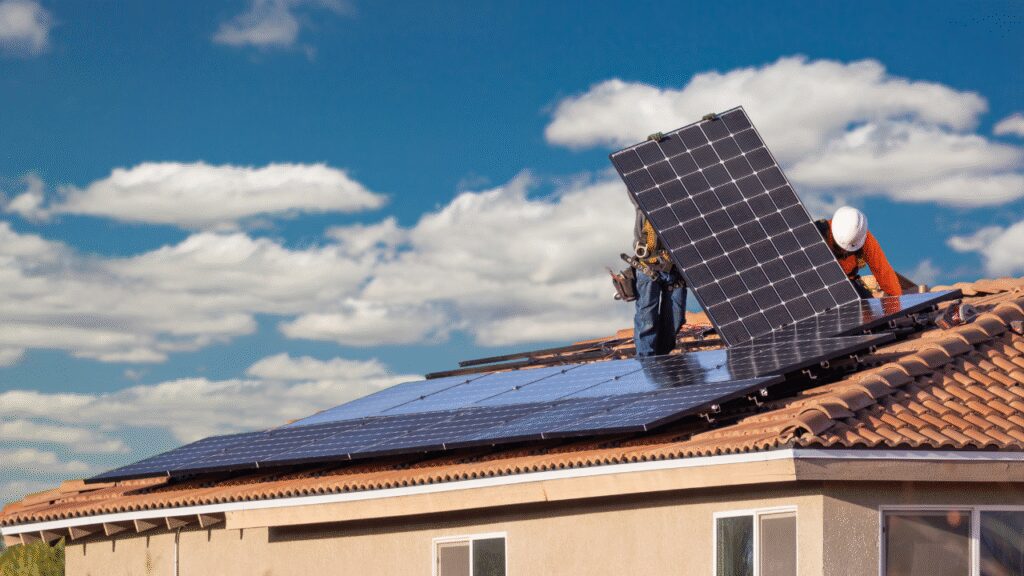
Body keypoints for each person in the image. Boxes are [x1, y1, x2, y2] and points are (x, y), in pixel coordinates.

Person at [630, 207, 687, 357]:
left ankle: (661, 359)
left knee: (676, 319)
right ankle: (647, 360)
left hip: (675, 269)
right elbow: (636, 194)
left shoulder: (682, 204)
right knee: (647, 320)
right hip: (648, 266)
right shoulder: (644, 203)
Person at [816, 206, 902, 298]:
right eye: (840, 247)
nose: (844, 251)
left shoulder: (863, 238)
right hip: (818, 283)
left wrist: (896, 301)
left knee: (866, 303)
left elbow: (883, 271)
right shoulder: (817, 233)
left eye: (848, 249)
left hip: (849, 285)